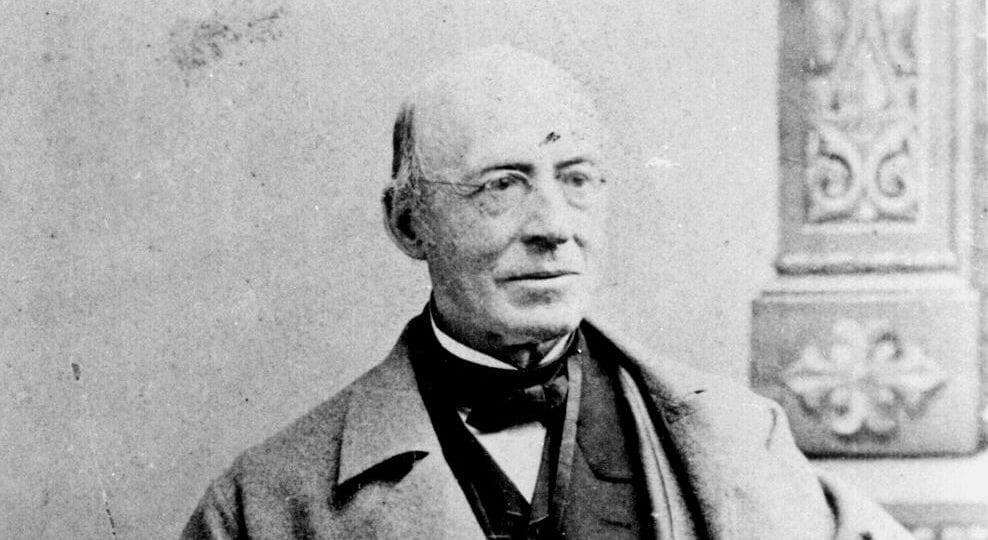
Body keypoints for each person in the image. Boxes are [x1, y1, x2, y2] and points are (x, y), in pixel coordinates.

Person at [182, 45, 909, 539]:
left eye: (577, 179)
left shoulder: (738, 442)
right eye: (501, 186)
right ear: (408, 223)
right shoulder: (268, 505)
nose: (554, 228)